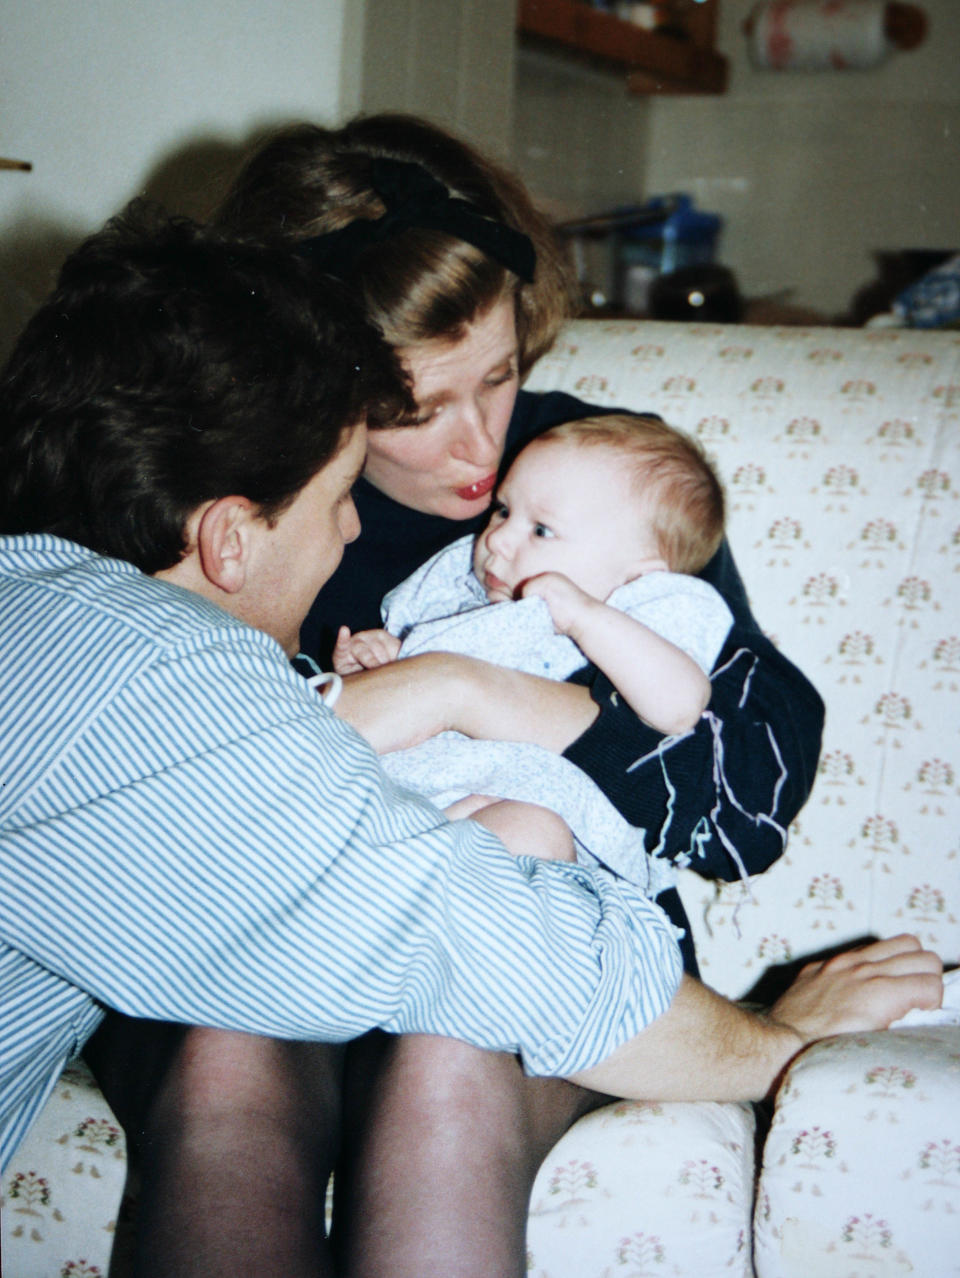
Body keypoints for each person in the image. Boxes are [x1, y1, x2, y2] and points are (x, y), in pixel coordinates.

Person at [0, 199, 943, 1278]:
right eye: (412, 406)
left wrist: (471, 691)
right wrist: (772, 1040)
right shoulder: (190, 600)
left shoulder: (591, 475)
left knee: (448, 1055)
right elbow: (388, 896)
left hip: (509, 892)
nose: (484, 448)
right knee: (228, 1050)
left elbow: (734, 802)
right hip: (358, 921)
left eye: (499, 377)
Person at [333, 413, 733, 895]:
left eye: (541, 530)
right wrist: (388, 657)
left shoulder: (632, 618)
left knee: (530, 831)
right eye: (503, 511)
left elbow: (680, 704)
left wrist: (585, 616)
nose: (497, 538)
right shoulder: (468, 594)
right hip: (405, 796)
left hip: (532, 813)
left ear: (638, 578)